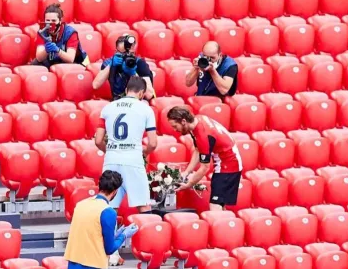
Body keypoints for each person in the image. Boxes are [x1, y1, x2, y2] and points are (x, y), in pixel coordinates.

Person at [94, 76, 157, 266]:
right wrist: (142, 151)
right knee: (144, 207)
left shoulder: (108, 107)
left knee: (109, 206)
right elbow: (153, 143)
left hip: (112, 160)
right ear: (141, 93)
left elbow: (98, 140)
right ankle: (149, 253)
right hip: (133, 160)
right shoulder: (145, 109)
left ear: (126, 89)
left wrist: (112, 151)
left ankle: (109, 255)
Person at [166, 106, 243, 211]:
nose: (175, 130)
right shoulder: (197, 120)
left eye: (175, 126)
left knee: (215, 207)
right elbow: (198, 150)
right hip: (225, 162)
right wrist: (187, 172)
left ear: (183, 121)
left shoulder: (203, 135)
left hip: (228, 165)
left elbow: (204, 168)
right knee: (220, 205)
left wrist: (189, 184)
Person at [64, 170, 139, 269]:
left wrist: (116, 234)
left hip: (73, 263)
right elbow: (110, 249)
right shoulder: (108, 212)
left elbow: (92, 234)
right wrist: (124, 235)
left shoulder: (80, 204)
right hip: (93, 265)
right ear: (115, 191)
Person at [92, 35, 155, 101]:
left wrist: (133, 74)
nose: (126, 55)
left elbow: (149, 94)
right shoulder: (110, 62)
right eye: (123, 53)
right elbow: (95, 85)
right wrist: (111, 65)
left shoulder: (140, 63)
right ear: (116, 50)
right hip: (117, 100)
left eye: (129, 53)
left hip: (137, 101)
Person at [32, 3, 90, 68]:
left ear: (60, 21)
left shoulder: (70, 32)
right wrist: (46, 50)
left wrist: (57, 50)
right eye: (47, 20)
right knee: (35, 63)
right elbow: (39, 58)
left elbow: (70, 59)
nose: (50, 23)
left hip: (76, 61)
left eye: (54, 20)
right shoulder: (42, 32)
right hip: (54, 60)